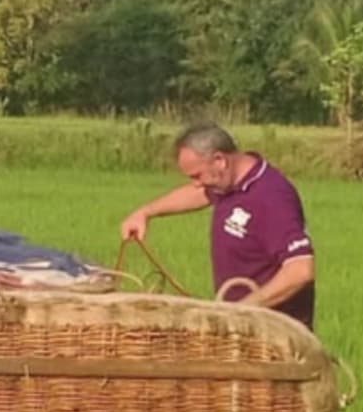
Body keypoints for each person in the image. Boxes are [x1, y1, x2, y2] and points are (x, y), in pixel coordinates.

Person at [120, 122, 317, 330]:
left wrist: (241, 311)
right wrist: (146, 213)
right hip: (237, 325)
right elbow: (200, 193)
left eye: (197, 175)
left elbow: (300, 270)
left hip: (272, 333)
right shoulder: (230, 181)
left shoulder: (271, 198)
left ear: (220, 160)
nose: (196, 183)